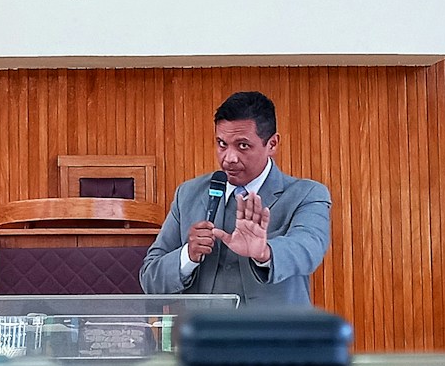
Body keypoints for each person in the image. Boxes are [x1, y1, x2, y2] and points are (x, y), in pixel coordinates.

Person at [140, 91, 333, 306]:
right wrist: (188, 255)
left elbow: (308, 249)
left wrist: (265, 252)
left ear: (272, 144)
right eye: (222, 144)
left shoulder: (306, 194)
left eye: (243, 145)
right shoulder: (188, 194)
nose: (229, 158)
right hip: (203, 337)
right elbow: (150, 280)